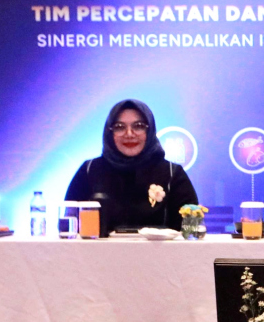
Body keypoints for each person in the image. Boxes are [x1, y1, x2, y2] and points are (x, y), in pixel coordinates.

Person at [64, 99, 197, 232]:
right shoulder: (90, 170)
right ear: (110, 132)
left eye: (138, 126)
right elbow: (69, 226)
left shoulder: (171, 173)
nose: (129, 134)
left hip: (160, 247)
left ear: (149, 130)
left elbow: (190, 228)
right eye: (119, 127)